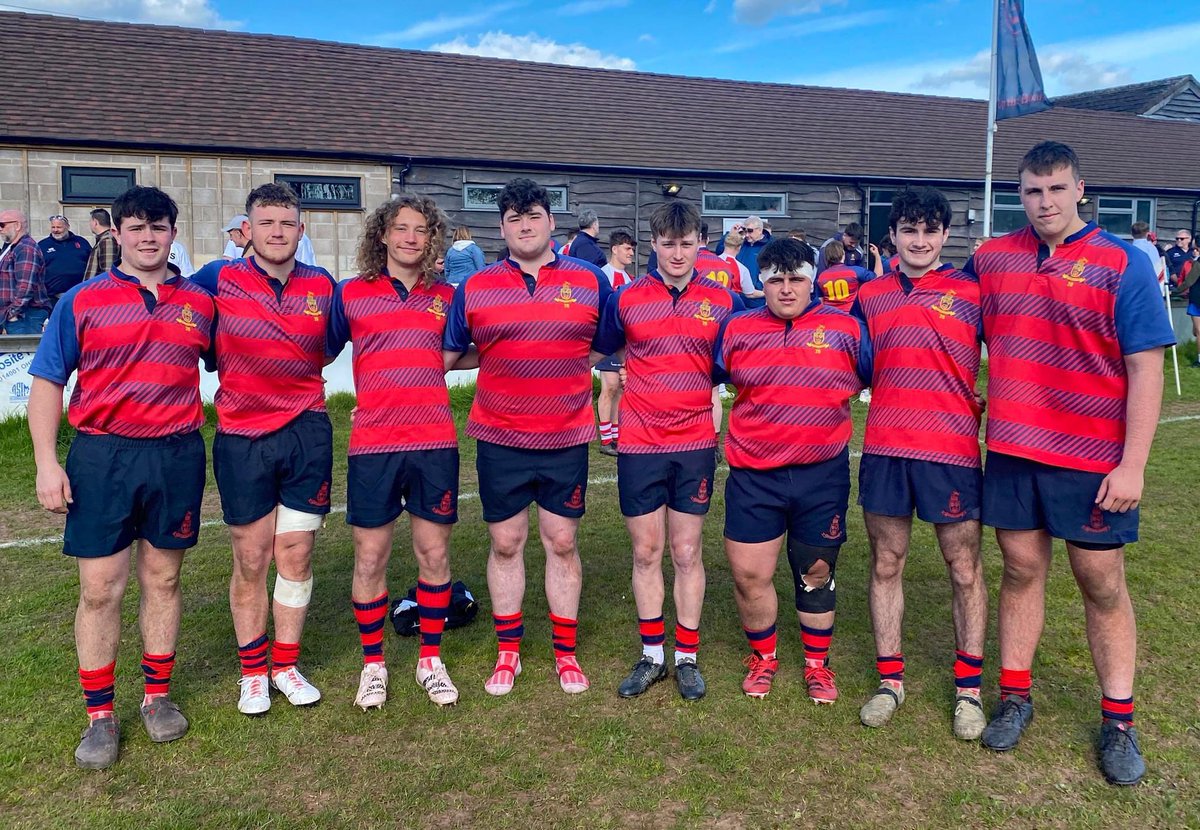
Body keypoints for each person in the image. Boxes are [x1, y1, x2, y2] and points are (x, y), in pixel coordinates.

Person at [968, 141, 1175, 786]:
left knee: (1101, 583)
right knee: (1021, 569)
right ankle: (1016, 697)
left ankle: (1118, 721)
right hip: (1011, 448)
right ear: (1018, 194)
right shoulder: (991, 259)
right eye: (1032, 190)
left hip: (1092, 458)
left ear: (1080, 190)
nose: (1044, 202)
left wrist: (1133, 464)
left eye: (1056, 189)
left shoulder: (1122, 264)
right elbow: (945, 327)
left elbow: (1145, 370)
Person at [28, 186, 214, 769]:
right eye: (136, 227)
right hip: (102, 456)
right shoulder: (81, 300)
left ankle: (157, 698)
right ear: (118, 234)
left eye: (158, 227)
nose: (148, 237)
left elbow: (244, 361)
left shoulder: (201, 304)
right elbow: (48, 382)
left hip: (176, 453)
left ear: (173, 233)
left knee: (162, 580)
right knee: (99, 588)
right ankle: (100, 715)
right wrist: (45, 461)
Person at [442, 177, 611, 696]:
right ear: (502, 227)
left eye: (533, 215)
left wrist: (560, 363)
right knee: (506, 541)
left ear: (551, 221)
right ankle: (508, 651)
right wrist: (497, 354)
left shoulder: (589, 279)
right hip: (500, 434)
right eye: (513, 219)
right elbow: (449, 356)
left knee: (562, 542)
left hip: (565, 435)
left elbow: (604, 344)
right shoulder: (476, 286)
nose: (524, 225)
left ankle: (565, 653)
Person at [191, 183, 337, 717]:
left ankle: (286, 664)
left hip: (306, 432)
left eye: (288, 223)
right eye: (267, 222)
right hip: (242, 436)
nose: (278, 232)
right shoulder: (216, 278)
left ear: (301, 230)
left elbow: (333, 343)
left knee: (295, 553)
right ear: (246, 230)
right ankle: (252, 673)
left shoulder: (323, 285)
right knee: (251, 557)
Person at [851, 187, 988, 740]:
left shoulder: (973, 292)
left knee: (964, 568)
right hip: (885, 447)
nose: (920, 240)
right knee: (887, 562)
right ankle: (890, 681)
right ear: (894, 235)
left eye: (930, 230)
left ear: (945, 235)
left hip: (951, 451)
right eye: (910, 229)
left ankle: (969, 690)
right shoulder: (869, 295)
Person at [594, 202, 742, 701]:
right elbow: (598, 354)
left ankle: (687, 657)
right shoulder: (626, 298)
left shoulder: (722, 300)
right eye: (668, 243)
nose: (677, 252)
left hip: (695, 442)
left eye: (686, 243)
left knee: (685, 551)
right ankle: (652, 654)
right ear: (652, 244)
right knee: (646, 550)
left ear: (700, 243)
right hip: (640, 443)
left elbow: (747, 354)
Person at [328, 196, 470, 709]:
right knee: (371, 556)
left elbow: (481, 348)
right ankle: (373, 666)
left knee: (433, 554)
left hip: (434, 441)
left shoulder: (451, 297)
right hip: (374, 444)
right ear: (382, 236)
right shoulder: (350, 295)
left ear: (433, 239)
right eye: (401, 229)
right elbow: (315, 350)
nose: (411, 238)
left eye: (421, 230)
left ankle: (430, 659)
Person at [715, 237, 872, 702]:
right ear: (761, 283)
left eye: (796, 279)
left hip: (820, 472)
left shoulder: (847, 329)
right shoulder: (736, 328)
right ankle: (763, 659)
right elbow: (699, 373)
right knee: (748, 574)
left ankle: (817, 665)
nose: (787, 289)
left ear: (813, 281)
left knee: (816, 571)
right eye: (776, 280)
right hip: (754, 473)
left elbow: (883, 376)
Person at [596, 230, 636, 457]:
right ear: (614, 249)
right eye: (627, 248)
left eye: (632, 249)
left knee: (621, 388)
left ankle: (616, 436)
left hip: (625, 342)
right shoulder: (603, 275)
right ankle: (605, 439)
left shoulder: (631, 280)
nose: (631, 253)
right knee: (609, 387)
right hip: (607, 340)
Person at [0, 208, 51, 333]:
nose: (0, 229)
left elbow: (25, 285)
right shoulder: (12, 248)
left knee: (25, 351)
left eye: (2, 225)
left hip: (25, 316)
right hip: (18, 315)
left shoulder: (25, 248)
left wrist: (12, 313)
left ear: (17, 225)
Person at [38, 214, 92, 303]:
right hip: (53, 298)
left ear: (67, 227)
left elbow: (92, 263)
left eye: (59, 227)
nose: (55, 230)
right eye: (53, 227)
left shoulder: (81, 242)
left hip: (80, 296)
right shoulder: (42, 245)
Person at [816, 239, 874, 311]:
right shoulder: (855, 271)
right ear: (843, 254)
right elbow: (877, 278)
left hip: (831, 315)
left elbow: (820, 303)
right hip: (851, 315)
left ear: (827, 257)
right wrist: (877, 256)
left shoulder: (821, 277)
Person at [733, 215, 771, 298]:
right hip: (739, 295)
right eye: (744, 231)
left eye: (750, 231)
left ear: (760, 230)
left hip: (759, 295)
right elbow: (721, 250)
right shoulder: (741, 243)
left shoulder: (771, 245)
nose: (746, 235)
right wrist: (733, 233)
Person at [83, 209, 120, 279]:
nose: (89, 224)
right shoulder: (103, 239)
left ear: (95, 222)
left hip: (99, 287)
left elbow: (108, 271)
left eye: (90, 221)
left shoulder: (107, 240)